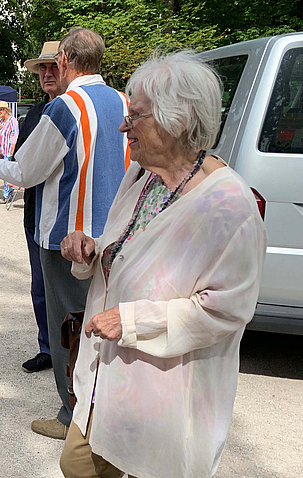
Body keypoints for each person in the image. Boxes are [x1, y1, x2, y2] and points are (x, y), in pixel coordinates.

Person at [59, 51, 267, 478]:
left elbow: (225, 309)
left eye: (134, 117)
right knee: (77, 463)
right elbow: (130, 249)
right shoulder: (143, 175)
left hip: (167, 394)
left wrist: (131, 322)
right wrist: (91, 248)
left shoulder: (229, 207)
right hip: (112, 379)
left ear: (176, 121)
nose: (122, 127)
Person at [0, 27, 128, 440]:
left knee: (71, 325)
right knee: (106, 323)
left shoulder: (64, 107)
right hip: (115, 236)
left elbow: (26, 171)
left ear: (64, 59)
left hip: (67, 240)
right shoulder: (122, 101)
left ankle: (73, 416)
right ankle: (105, 405)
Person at [15, 41, 64, 374]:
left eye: (53, 68)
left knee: (71, 287)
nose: (47, 74)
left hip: (66, 215)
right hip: (34, 213)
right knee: (40, 286)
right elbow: (21, 162)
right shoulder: (33, 113)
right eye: (42, 69)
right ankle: (48, 348)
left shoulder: (75, 110)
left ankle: (72, 353)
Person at [0, 101, 19, 204]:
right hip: (1, 151)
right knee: (3, 173)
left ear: (6, 110)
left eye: (0, 110)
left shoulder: (12, 120)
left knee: (7, 173)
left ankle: (6, 195)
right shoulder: (0, 122)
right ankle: (7, 193)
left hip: (8, 151)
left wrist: (13, 150)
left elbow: (15, 136)